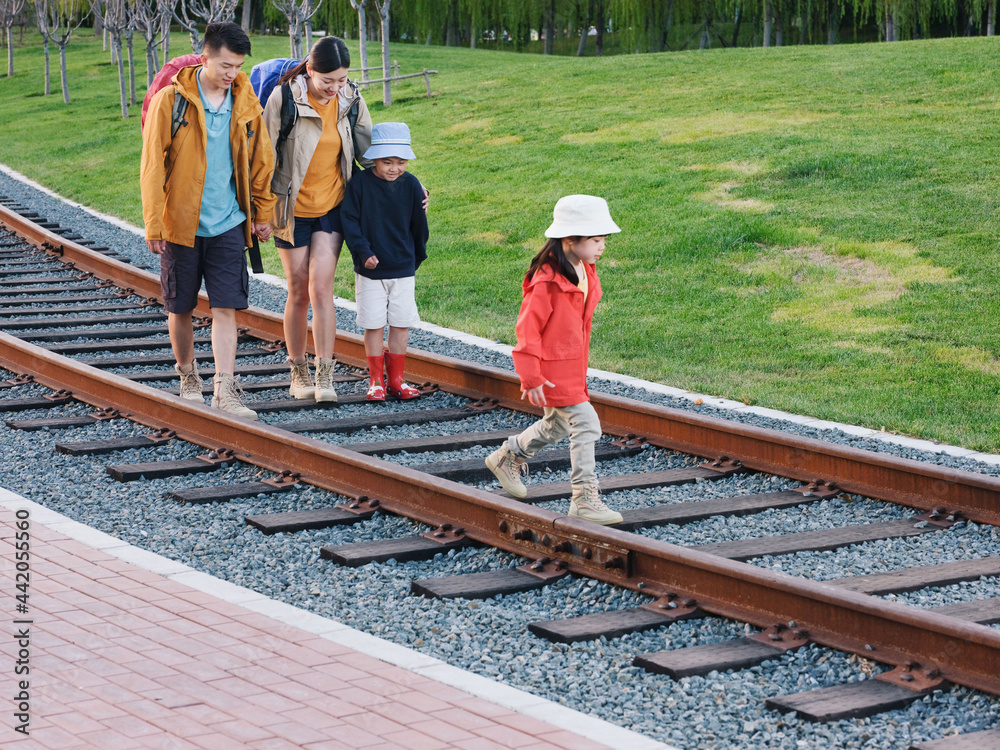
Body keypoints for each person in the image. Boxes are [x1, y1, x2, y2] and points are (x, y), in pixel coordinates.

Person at [140, 21, 274, 420]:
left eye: (238, 66)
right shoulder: (171, 100)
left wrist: (262, 214)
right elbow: (152, 167)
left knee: (227, 307)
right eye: (225, 66)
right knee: (180, 307)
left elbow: (261, 161)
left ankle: (225, 389)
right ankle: (187, 375)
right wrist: (154, 223)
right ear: (205, 58)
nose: (232, 74)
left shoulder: (246, 100)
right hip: (181, 223)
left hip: (229, 222)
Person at [485, 195, 623, 525]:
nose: (602, 246)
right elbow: (527, 329)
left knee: (558, 424)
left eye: (603, 240)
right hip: (551, 369)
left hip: (572, 365)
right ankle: (584, 497)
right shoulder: (547, 281)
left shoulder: (583, 268)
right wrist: (530, 375)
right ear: (570, 240)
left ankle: (509, 455)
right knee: (586, 423)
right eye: (596, 240)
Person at [263, 36, 373, 402]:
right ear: (310, 71)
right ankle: (298, 372)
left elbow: (369, 152)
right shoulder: (284, 99)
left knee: (321, 289)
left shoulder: (350, 100)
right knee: (297, 290)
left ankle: (325, 374)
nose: (335, 88)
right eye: (328, 81)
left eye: (341, 80)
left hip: (331, 206)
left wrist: (407, 187)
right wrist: (259, 210)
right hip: (291, 209)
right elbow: (263, 156)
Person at [341, 122, 429, 402]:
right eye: (387, 162)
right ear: (374, 159)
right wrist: (363, 252)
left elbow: (419, 226)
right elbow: (350, 222)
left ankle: (397, 381)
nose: (394, 168)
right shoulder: (360, 185)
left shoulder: (412, 185)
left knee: (401, 323)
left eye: (401, 162)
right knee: (374, 324)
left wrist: (416, 257)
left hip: (403, 268)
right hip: (370, 271)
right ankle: (376, 381)